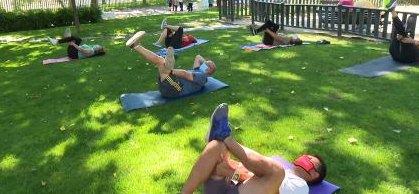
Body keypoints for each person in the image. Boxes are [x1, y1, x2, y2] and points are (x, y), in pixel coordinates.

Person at [181, 103, 327, 194]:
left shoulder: (301, 186)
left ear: (314, 175)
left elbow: (265, 188)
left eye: (310, 160)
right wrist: (232, 171)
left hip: (239, 189)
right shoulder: (269, 167)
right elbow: (234, 172)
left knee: (277, 171)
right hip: (225, 187)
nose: (305, 157)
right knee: (215, 147)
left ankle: (224, 137)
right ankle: (221, 140)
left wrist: (234, 172)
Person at [125, 31, 216, 98]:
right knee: (161, 61)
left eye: (206, 65)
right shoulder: (198, 70)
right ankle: (136, 45)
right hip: (170, 87)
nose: (203, 64)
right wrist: (206, 63)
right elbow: (198, 57)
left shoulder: (202, 76)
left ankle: (136, 46)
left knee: (162, 62)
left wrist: (170, 71)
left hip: (174, 89)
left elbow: (185, 74)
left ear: (208, 70)